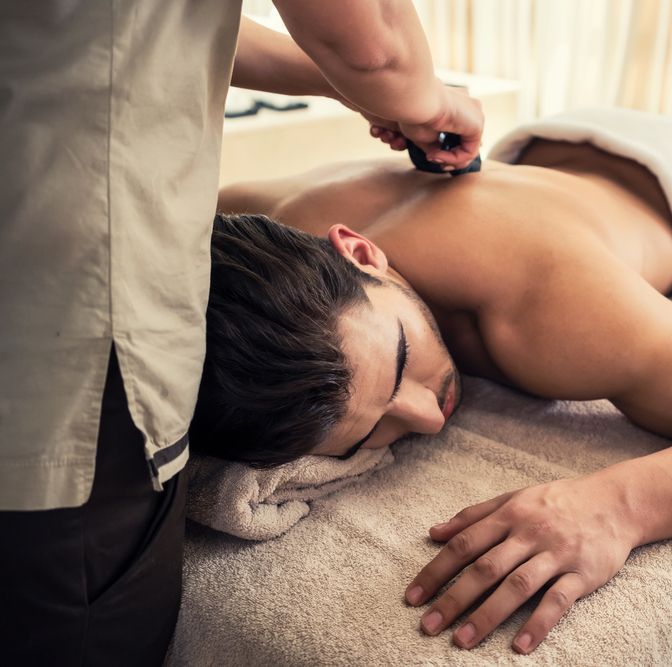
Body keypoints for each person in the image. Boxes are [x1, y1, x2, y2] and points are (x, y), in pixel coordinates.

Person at [195, 139, 672, 655]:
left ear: (361, 253)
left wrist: (617, 506)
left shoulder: (548, 308)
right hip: (549, 159)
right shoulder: (231, 230)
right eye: (366, 434)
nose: (429, 416)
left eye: (402, 357)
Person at [0, 1, 483, 663]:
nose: (429, 420)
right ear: (359, 250)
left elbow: (168, 25)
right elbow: (376, 45)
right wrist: (428, 98)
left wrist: (343, 82)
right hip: (66, 308)